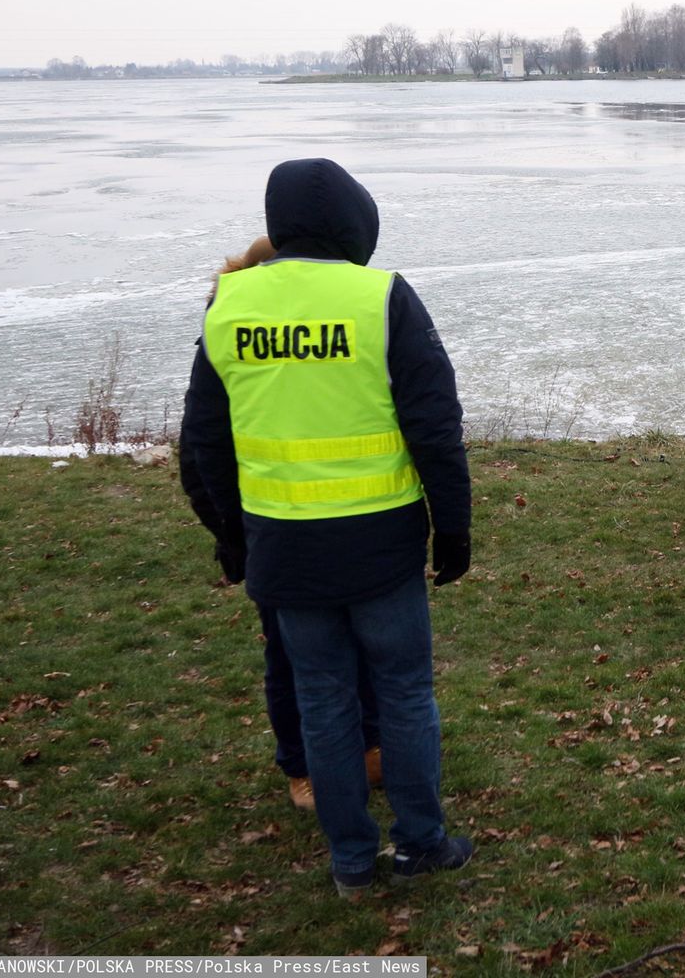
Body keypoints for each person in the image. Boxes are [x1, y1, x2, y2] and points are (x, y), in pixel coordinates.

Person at [183, 160, 473, 899]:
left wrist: (231, 535)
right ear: (357, 223)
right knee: (404, 694)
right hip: (380, 544)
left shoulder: (229, 304)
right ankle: (420, 843)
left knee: (322, 701)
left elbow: (205, 445)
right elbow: (434, 428)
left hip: (284, 547)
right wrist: (454, 529)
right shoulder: (380, 296)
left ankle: (351, 863)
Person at [177, 238, 382, 813]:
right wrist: (230, 533)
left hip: (346, 520)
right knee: (291, 655)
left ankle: (368, 745)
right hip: (271, 528)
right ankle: (301, 767)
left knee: (359, 644)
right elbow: (201, 447)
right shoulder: (228, 335)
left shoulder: (329, 330)